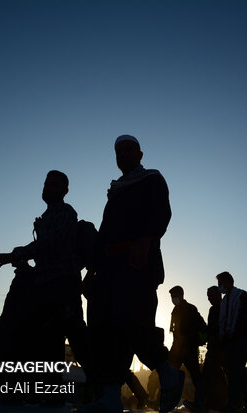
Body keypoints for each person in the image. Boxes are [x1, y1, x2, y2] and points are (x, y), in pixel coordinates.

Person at [83, 135, 183, 413]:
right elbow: (105, 233)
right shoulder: (115, 191)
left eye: (129, 149)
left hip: (137, 262)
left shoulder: (151, 178)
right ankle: (111, 396)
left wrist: (146, 240)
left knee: (130, 320)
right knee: (102, 328)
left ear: (140, 154)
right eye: (118, 151)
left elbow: (161, 213)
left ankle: (167, 370)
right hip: (108, 267)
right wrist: (92, 269)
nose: (123, 154)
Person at [0, 170, 92, 391]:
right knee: (48, 340)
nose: (48, 188)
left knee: (77, 338)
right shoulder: (46, 217)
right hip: (47, 286)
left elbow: (49, 245)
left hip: (64, 284)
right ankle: (51, 392)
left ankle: (103, 387)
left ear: (65, 191)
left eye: (54, 185)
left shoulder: (66, 212)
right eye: (46, 183)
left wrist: (12, 255)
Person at [216, 271, 247, 413]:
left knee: (238, 370)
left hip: (243, 338)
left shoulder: (241, 295)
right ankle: (236, 403)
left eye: (220, 283)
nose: (219, 286)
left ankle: (245, 403)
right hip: (230, 340)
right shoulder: (225, 300)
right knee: (234, 372)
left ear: (228, 282)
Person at [168, 286, 205, 397]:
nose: (172, 299)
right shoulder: (175, 310)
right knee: (169, 373)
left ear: (180, 295)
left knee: (195, 376)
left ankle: (201, 401)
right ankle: (164, 398)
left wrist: (198, 340)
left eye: (174, 296)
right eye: (171, 297)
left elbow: (202, 326)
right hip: (178, 349)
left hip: (189, 349)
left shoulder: (191, 309)